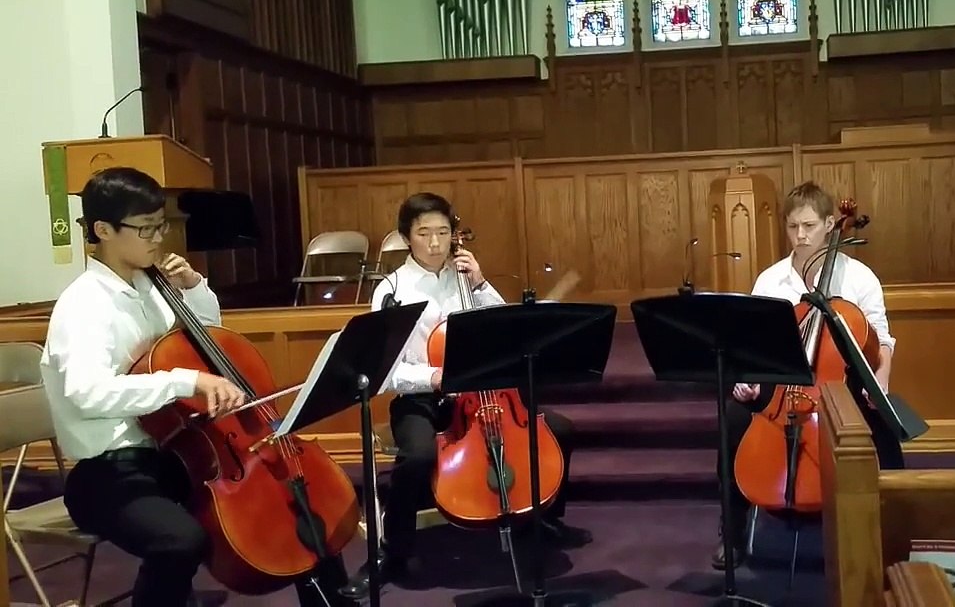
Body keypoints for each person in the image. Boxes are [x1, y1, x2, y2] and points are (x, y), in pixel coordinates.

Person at [40, 167, 352, 607]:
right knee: (179, 541)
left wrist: (194, 288)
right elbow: (87, 393)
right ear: (103, 230)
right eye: (145, 228)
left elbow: (206, 341)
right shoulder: (84, 304)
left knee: (292, 492)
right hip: (109, 473)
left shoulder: (152, 287)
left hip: (175, 454)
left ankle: (332, 600)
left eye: (160, 225)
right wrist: (182, 382)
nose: (157, 238)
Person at [343, 192, 592, 598]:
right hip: (424, 395)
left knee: (558, 430)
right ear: (407, 237)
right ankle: (392, 553)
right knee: (418, 456)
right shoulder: (391, 290)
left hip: (481, 393)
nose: (436, 243)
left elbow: (504, 332)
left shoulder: (466, 277)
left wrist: (481, 283)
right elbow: (386, 372)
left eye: (443, 232)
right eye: (424, 233)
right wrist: (435, 377)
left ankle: (542, 517)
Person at [714, 181, 902, 570]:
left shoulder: (859, 278)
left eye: (809, 226)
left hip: (840, 383)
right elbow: (751, 346)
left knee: (884, 427)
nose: (800, 236)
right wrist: (744, 379)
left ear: (832, 224)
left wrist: (881, 380)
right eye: (792, 227)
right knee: (731, 417)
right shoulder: (770, 280)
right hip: (780, 382)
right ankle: (731, 534)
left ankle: (889, 532)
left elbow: (882, 340)